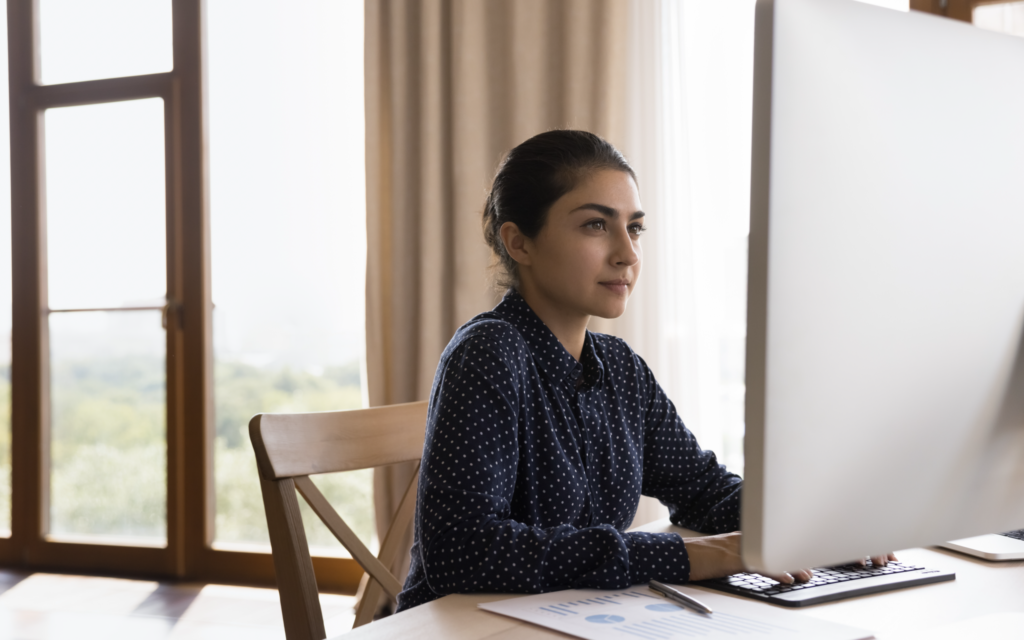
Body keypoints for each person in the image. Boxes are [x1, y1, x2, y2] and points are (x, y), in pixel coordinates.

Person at [396, 130, 888, 612]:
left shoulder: (620, 368)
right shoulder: (489, 351)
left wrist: (809, 529)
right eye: (595, 225)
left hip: (579, 619)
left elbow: (704, 491)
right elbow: (463, 551)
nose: (627, 254)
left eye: (634, 228)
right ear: (519, 243)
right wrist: (687, 556)